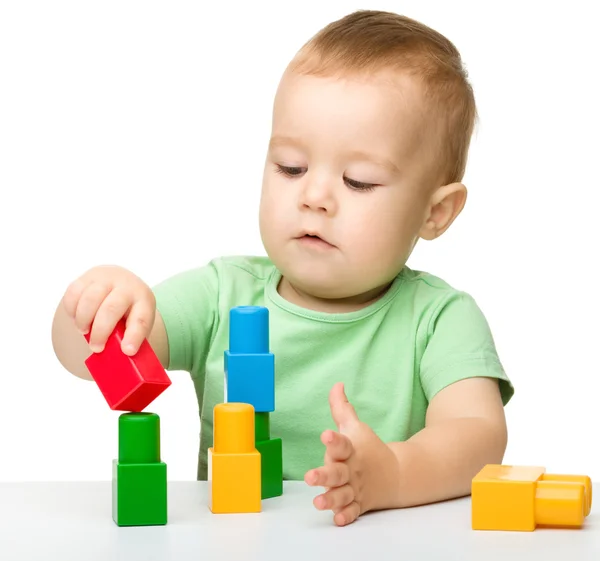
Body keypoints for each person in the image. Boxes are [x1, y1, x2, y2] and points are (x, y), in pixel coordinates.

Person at [51, 9, 514, 527]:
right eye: (291, 168)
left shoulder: (440, 319)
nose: (314, 196)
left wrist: (394, 475)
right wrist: (100, 305)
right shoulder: (222, 293)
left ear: (435, 212)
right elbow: (90, 358)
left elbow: (478, 435)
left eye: (358, 180)